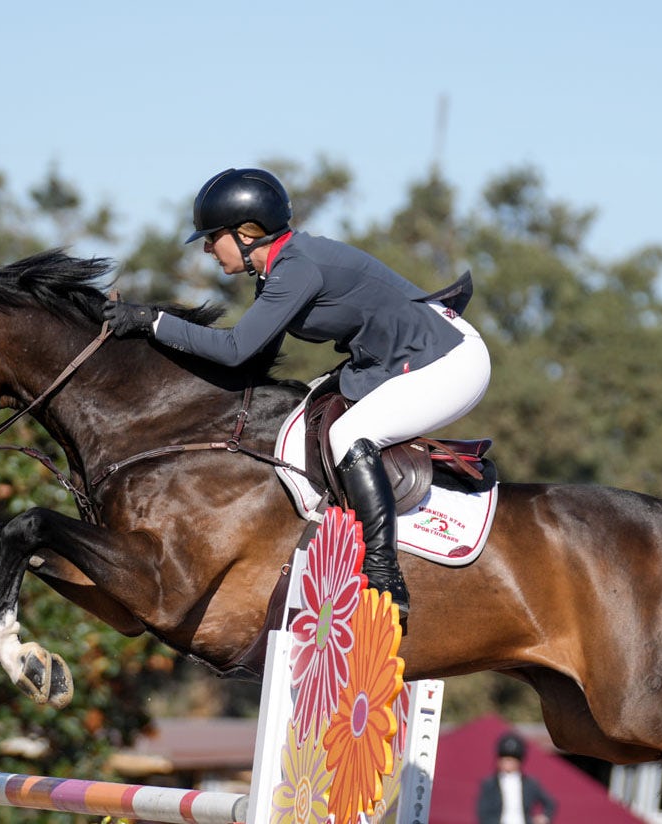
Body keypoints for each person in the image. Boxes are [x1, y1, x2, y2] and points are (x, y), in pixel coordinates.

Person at [102, 167, 492, 632]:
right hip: (395, 359)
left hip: (449, 362)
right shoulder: (279, 271)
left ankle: (386, 575)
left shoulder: (296, 268)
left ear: (248, 234)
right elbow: (247, 363)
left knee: (351, 433)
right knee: (308, 409)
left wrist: (152, 322)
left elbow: (234, 348)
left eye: (212, 237)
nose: (207, 248)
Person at [477, 732, 557, 824]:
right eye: (505, 759)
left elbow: (550, 802)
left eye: (512, 759)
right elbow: (483, 813)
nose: (508, 763)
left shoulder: (530, 783)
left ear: (519, 761)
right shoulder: (489, 784)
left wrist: (545, 816)